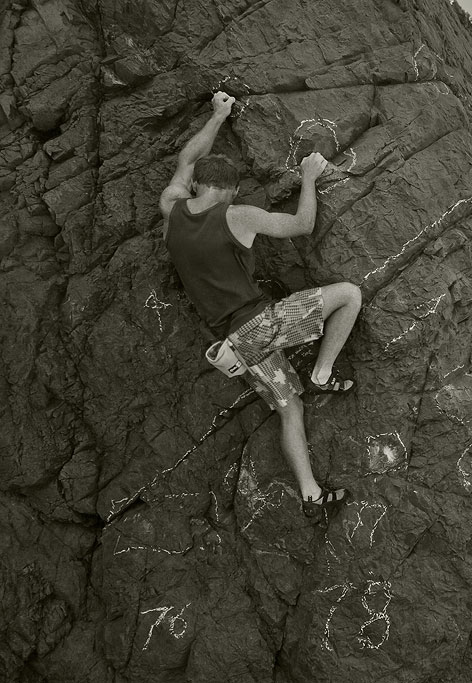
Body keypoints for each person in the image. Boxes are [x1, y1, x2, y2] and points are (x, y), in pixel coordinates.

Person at [160, 91, 362, 511]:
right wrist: (309, 176)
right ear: (232, 191)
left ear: (197, 184)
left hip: (234, 345)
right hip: (263, 324)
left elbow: (185, 159)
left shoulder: (172, 209)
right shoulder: (237, 215)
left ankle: (311, 493)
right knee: (349, 295)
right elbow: (303, 225)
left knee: (290, 409)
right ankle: (322, 373)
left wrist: (217, 116)